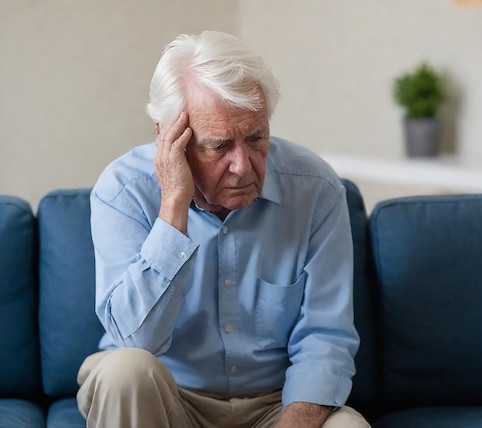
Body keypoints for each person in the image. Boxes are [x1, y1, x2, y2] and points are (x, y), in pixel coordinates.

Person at [76, 30, 370, 428]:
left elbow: (327, 337)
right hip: (166, 398)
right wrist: (173, 207)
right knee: (124, 369)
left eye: (255, 137)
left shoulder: (315, 189)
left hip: (276, 404)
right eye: (219, 146)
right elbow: (136, 342)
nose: (244, 165)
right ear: (170, 139)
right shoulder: (124, 191)